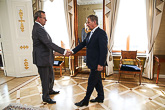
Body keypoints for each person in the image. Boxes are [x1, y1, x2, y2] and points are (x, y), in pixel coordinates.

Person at [32, 10, 70, 104]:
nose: (46, 20)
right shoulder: (38, 28)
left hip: (46, 58)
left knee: (50, 76)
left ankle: (50, 90)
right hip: (42, 58)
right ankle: (45, 97)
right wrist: (63, 51)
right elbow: (48, 43)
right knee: (45, 79)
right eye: (44, 18)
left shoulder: (40, 27)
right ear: (38, 18)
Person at [72, 15, 108, 107]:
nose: (87, 24)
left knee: (91, 82)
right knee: (97, 81)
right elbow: (83, 44)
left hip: (97, 64)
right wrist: (72, 51)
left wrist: (101, 64)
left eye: (88, 22)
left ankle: (85, 100)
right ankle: (100, 97)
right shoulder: (90, 33)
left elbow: (104, 50)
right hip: (92, 63)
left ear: (94, 22)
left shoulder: (101, 33)